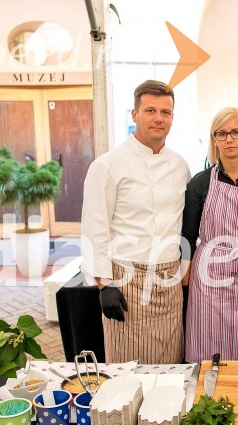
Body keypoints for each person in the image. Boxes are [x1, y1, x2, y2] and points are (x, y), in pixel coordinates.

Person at [81, 80, 191, 364]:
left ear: (172, 118)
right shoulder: (107, 165)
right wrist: (104, 285)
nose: (158, 118)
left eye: (165, 112)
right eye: (150, 110)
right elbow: (95, 228)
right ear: (135, 114)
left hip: (169, 279)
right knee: (129, 369)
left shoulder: (180, 165)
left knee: (170, 364)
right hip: (127, 280)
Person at [181, 107, 238, 363]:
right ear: (214, 140)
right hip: (208, 280)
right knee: (208, 356)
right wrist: (185, 288)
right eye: (221, 133)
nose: (229, 139)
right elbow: (187, 240)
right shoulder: (200, 184)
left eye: (235, 131)